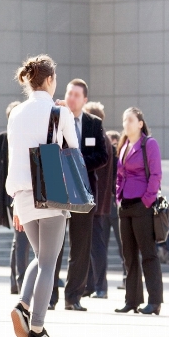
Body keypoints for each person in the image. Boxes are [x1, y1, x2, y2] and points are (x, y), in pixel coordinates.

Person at [6, 55, 78, 337]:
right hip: (50, 191)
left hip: (22, 195)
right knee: (49, 263)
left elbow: (16, 156)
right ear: (49, 80)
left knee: (41, 258)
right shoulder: (59, 113)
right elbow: (73, 148)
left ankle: (24, 305)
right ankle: (36, 328)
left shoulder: (16, 113)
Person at [52, 79, 108, 311]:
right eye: (69, 93)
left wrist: (79, 163)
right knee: (54, 244)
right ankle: (50, 296)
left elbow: (103, 156)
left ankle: (73, 297)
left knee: (81, 246)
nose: (72, 98)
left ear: (85, 99)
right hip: (58, 189)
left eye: (77, 95)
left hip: (84, 190)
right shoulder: (56, 117)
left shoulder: (94, 123)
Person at [114, 107, 164, 316]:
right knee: (129, 255)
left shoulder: (149, 144)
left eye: (131, 120)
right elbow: (119, 175)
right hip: (125, 205)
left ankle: (154, 301)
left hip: (142, 205)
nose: (126, 123)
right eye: (124, 120)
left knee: (148, 254)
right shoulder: (123, 146)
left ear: (140, 123)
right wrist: (117, 196)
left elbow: (156, 174)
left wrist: (147, 200)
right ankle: (132, 300)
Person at [0, 100, 30, 294]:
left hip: (24, 193)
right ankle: (19, 283)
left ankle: (17, 282)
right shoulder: (3, 138)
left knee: (19, 238)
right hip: (10, 196)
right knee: (20, 237)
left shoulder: (27, 136)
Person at [83, 100, 113, 297]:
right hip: (99, 200)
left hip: (96, 200)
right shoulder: (106, 140)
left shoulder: (101, 139)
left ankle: (100, 286)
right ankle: (92, 285)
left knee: (96, 245)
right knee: (92, 245)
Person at [106, 129, 125, 288]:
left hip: (117, 206)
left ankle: (127, 279)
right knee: (100, 246)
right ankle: (99, 284)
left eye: (113, 142)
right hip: (105, 206)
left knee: (123, 246)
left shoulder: (120, 158)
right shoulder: (106, 157)